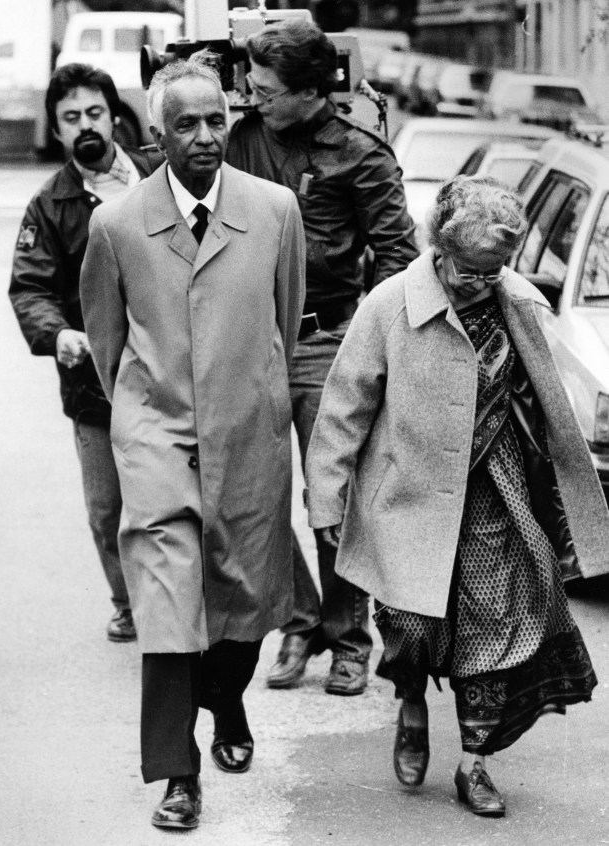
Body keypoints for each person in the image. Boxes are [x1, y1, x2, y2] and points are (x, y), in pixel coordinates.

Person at [305, 176, 609, 816]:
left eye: (493, 271)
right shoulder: (389, 306)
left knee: (492, 632)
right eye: (469, 271)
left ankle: (475, 763)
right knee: (411, 628)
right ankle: (411, 703)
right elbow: (342, 410)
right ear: (436, 250)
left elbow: (547, 403)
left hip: (494, 492)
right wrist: (326, 499)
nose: (481, 282)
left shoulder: (518, 302)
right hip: (407, 496)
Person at [79, 53, 305, 829]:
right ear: (156, 132)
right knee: (171, 607)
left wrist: (261, 403)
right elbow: (108, 346)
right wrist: (146, 419)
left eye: (218, 120)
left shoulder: (274, 210)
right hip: (157, 436)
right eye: (187, 124)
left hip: (247, 431)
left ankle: (227, 703)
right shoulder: (115, 225)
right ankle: (178, 775)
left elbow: (284, 314)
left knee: (243, 599)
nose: (206, 136)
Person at [226, 20, 419, 696]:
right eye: (252, 87)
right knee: (251, 496)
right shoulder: (237, 139)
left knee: (330, 496)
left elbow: (399, 259)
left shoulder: (360, 154)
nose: (257, 100)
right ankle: (298, 621)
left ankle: (347, 636)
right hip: (247, 339)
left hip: (323, 342)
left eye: (271, 92)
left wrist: (374, 345)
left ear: (313, 92)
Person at [9, 63, 162, 642]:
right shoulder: (50, 205)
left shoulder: (159, 174)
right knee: (107, 508)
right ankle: (126, 600)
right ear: (56, 128)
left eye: (94, 112)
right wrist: (57, 334)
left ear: (114, 115)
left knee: (174, 502)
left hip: (170, 375)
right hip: (94, 386)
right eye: (71, 118)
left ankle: (180, 600)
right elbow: (30, 287)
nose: (85, 126)